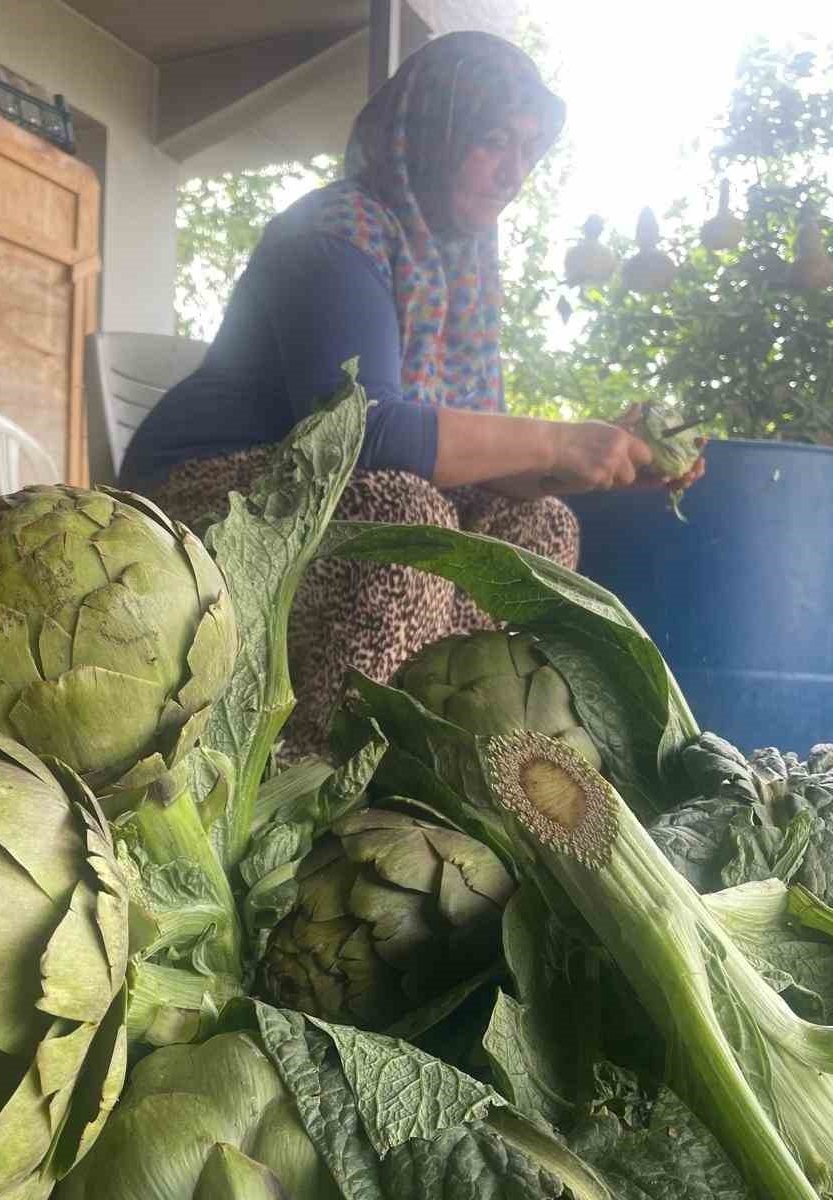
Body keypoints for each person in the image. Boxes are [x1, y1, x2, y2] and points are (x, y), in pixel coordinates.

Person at [120, 31, 700, 756]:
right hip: (200, 494)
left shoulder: (458, 269)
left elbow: (460, 455)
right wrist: (557, 438)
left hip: (321, 494)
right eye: (494, 142)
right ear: (429, 133)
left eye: (529, 150)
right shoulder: (334, 233)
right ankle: (321, 776)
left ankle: (464, 756)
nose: (513, 172)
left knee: (541, 527)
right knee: (403, 518)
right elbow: (363, 433)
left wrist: (591, 462)